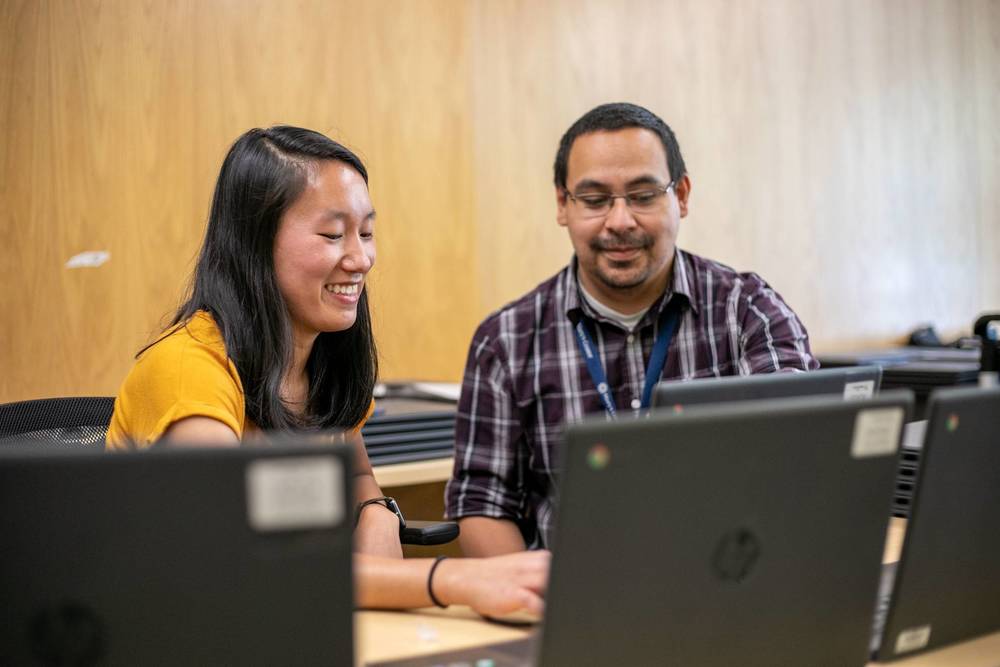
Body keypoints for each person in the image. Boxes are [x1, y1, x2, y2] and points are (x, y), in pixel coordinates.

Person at [106, 125, 548, 616]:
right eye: (333, 235)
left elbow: (356, 474)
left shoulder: (318, 359)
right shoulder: (187, 367)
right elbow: (238, 554)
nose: (361, 258)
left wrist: (375, 511)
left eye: (367, 233)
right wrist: (453, 578)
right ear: (255, 243)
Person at [446, 103, 819, 556]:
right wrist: (539, 591)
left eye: (643, 196)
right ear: (563, 204)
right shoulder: (505, 342)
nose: (620, 221)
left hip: (726, 576)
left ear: (681, 196)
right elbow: (482, 503)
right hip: (572, 591)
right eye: (595, 200)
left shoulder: (747, 313)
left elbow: (800, 456)